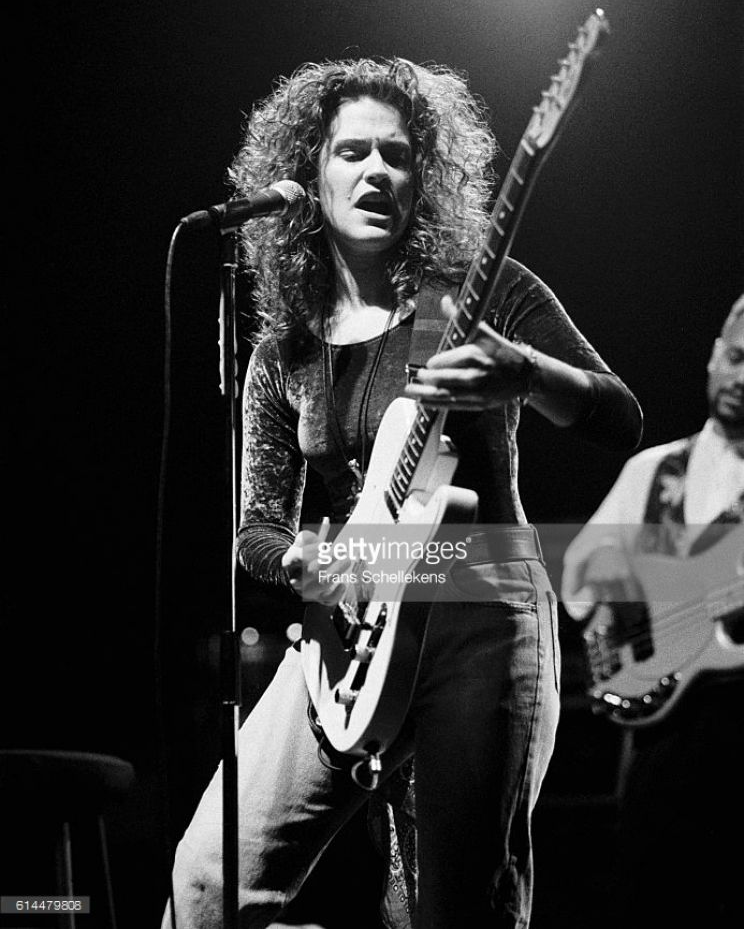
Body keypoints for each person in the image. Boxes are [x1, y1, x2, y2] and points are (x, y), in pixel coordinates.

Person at [164, 56, 643, 929]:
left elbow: (620, 415)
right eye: (352, 152)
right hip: (348, 633)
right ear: (309, 174)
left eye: (398, 154)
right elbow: (256, 527)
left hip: (478, 609)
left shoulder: (483, 295)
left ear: (426, 176)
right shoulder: (284, 353)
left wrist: (526, 373)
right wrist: (304, 558)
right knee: (206, 881)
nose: (377, 171)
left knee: (451, 908)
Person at [562, 295, 744, 928]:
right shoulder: (654, 468)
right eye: (736, 357)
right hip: (663, 730)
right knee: (651, 895)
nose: (742, 378)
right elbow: (578, 574)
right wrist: (626, 599)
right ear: (713, 357)